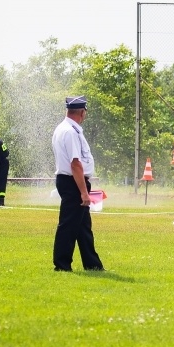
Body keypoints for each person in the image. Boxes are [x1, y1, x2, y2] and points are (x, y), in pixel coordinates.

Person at [51, 96, 105, 272]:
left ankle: (92, 264)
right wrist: (83, 192)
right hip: (73, 182)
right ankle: (62, 264)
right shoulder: (70, 132)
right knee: (68, 225)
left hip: (72, 180)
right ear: (82, 112)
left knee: (82, 226)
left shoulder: (65, 128)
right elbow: (75, 163)